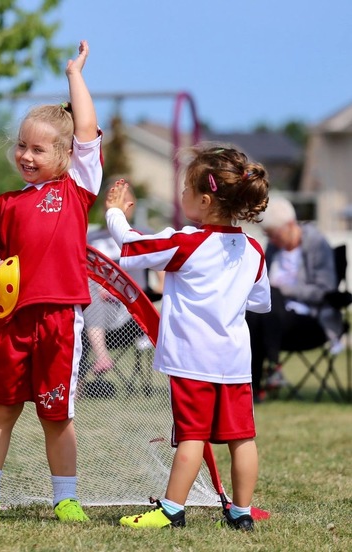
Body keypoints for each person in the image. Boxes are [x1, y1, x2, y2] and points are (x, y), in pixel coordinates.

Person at [0, 40, 101, 524]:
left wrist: (73, 75)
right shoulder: (2, 206)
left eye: (38, 148)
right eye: (21, 145)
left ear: (66, 155)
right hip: (10, 324)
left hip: (61, 319)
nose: (25, 154)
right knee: (1, 410)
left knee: (56, 416)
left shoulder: (76, 189)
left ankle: (65, 497)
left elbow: (85, 130)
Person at [106, 145, 271, 531]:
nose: (180, 196)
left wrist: (114, 212)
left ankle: (171, 510)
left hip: (192, 361)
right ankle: (242, 513)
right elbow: (261, 303)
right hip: (234, 363)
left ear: (205, 199)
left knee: (192, 436)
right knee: (242, 438)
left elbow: (132, 247)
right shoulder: (253, 250)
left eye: (184, 188)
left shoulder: (187, 242)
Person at [246, 196, 342, 401]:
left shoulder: (315, 243)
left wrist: (285, 289)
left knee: (270, 297)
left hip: (309, 320)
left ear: (290, 225)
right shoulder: (273, 247)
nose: (271, 240)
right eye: (268, 235)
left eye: (274, 234)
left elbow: (324, 291)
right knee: (255, 313)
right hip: (272, 318)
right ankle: (271, 370)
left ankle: (257, 384)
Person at [83, 184, 163, 380]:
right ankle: (75, 385)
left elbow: (163, 284)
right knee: (89, 284)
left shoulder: (142, 236)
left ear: (131, 204)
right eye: (112, 198)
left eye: (122, 198)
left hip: (129, 312)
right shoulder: (90, 238)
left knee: (93, 286)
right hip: (90, 310)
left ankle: (100, 358)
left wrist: (118, 290)